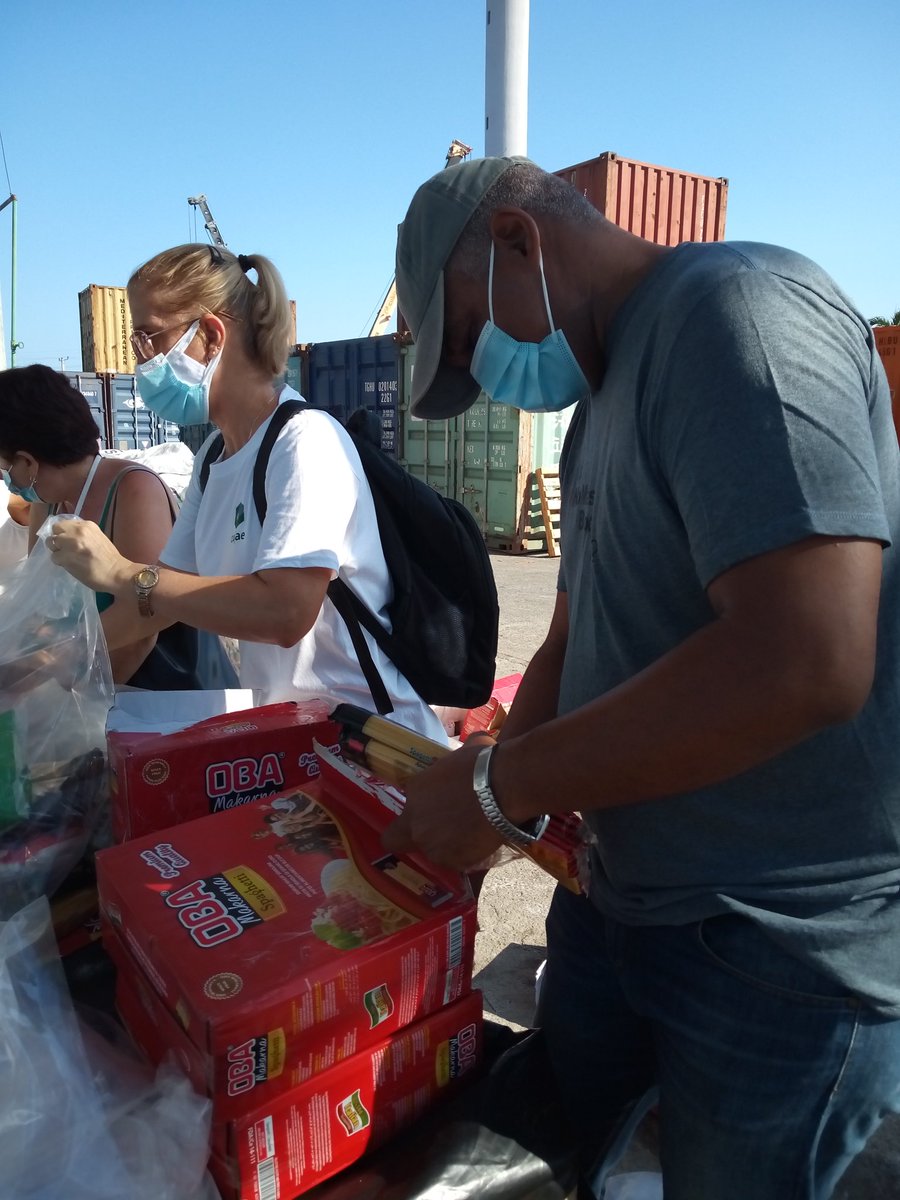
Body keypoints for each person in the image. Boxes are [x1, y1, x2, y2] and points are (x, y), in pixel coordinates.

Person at [381, 156, 900, 1198]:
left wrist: (497, 792)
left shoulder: (738, 311)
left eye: (473, 331)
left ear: (521, 241)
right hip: (623, 910)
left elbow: (806, 657)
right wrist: (495, 801)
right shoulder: (598, 410)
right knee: (571, 1161)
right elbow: (574, 642)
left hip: (774, 950)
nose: (486, 374)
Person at [50, 244, 445, 740]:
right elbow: (162, 601)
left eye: (148, 338)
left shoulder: (304, 442)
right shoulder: (214, 459)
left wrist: (124, 572)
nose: (141, 361)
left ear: (211, 335)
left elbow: (285, 612)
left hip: (372, 742)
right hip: (296, 739)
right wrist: (55, 666)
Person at [0, 365, 175, 684]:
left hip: (154, 703)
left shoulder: (133, 491)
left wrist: (68, 687)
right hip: (84, 685)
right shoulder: (46, 504)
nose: (7, 480)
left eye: (5, 468)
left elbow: (145, 622)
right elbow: (39, 607)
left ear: (27, 461)